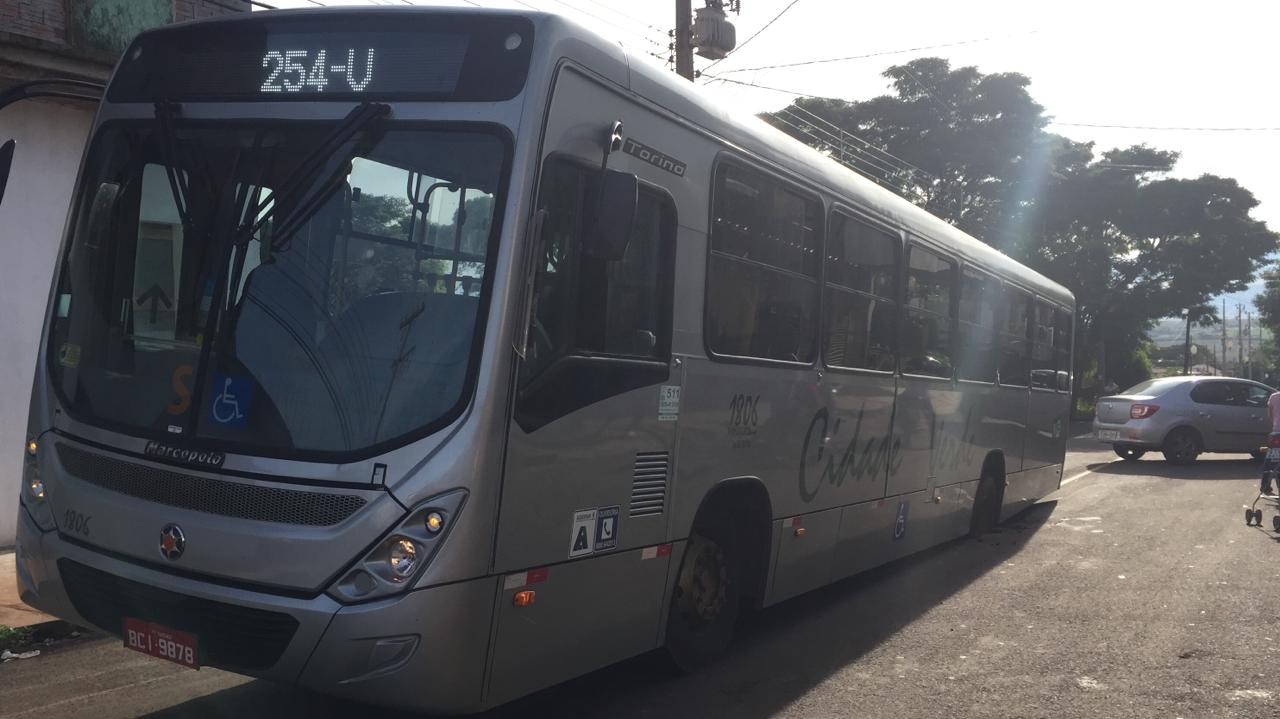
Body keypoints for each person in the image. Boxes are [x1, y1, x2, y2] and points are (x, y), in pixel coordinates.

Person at [1263, 388, 1280, 494]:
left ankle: (1265, 486)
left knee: (1271, 461)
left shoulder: (1274, 397)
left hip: (1277, 433)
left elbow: (1270, 415)